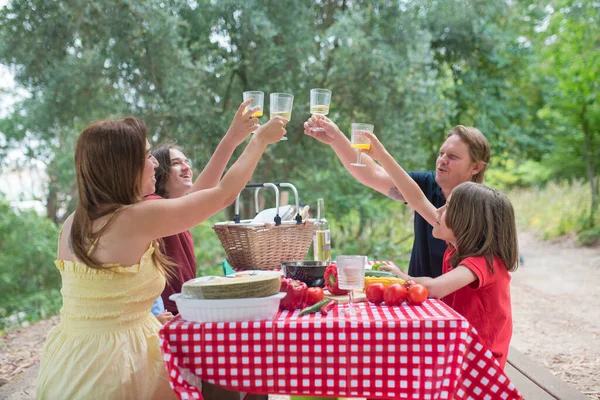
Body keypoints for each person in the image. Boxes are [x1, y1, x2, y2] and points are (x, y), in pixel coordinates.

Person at [36, 101, 287, 399]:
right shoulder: (134, 219)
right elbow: (220, 195)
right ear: (122, 166)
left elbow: (102, 305)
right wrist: (258, 141)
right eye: (145, 155)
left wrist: (144, 319)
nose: (154, 162)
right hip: (117, 369)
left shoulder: (73, 222)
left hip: (71, 361)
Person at [360, 130, 518, 368]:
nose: (438, 211)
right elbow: (416, 198)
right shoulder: (456, 249)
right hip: (455, 345)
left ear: (465, 222)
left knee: (390, 362)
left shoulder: (483, 261)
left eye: (447, 208)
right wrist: (380, 154)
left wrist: (402, 279)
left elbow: (434, 287)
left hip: (478, 363)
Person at [304, 116, 490, 278]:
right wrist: (336, 138)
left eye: (453, 157)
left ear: (476, 167)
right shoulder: (425, 184)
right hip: (419, 296)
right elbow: (373, 174)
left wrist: (381, 154)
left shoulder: (482, 209)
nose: (442, 160)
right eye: (441, 153)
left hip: (454, 308)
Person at [148, 104, 261, 315]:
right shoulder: (156, 209)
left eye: (186, 161)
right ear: (160, 172)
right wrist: (259, 141)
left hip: (185, 309)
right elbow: (223, 194)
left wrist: (233, 138)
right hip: (168, 316)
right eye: (176, 163)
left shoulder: (176, 210)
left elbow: (205, 190)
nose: (186, 167)